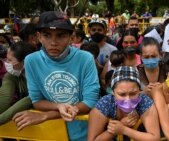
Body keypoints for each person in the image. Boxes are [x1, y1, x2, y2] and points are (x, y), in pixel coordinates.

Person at [13, 11, 100, 141]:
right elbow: (36, 100)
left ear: (71, 37)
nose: (53, 42)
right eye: (47, 35)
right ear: (39, 37)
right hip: (50, 133)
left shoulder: (85, 58)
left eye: (61, 35)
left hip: (84, 133)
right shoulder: (31, 61)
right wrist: (58, 106)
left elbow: (90, 102)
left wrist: (46, 115)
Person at [88, 66, 160, 141]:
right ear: (112, 92)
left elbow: (154, 138)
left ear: (139, 90)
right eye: (122, 94)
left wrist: (124, 130)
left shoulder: (144, 102)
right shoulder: (105, 104)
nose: (128, 99)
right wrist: (117, 128)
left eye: (133, 93)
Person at [0, 41, 36, 124]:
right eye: (6, 59)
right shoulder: (12, 75)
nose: (6, 63)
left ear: (24, 62)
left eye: (10, 60)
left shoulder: (39, 76)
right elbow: (4, 97)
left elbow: (29, 100)